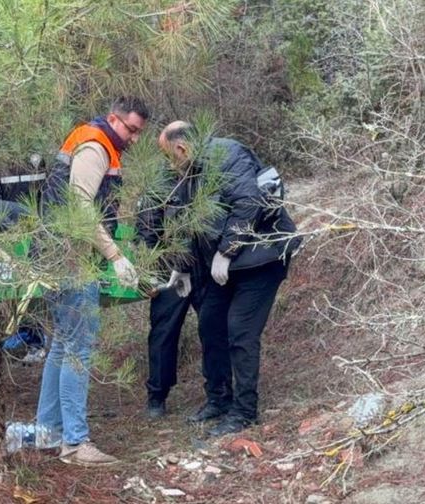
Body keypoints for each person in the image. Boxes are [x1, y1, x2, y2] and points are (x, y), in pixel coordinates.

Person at [157, 121, 301, 436]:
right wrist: (181, 267)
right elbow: (185, 221)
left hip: (261, 257)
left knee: (240, 332)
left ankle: (244, 411)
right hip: (226, 267)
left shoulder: (227, 154)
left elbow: (248, 203)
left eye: (170, 156)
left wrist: (226, 251)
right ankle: (219, 399)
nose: (170, 164)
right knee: (210, 324)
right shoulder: (188, 173)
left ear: (181, 148)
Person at [35, 96, 150, 466]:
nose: (133, 138)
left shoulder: (96, 143)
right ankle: (75, 443)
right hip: (71, 258)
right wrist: (114, 256)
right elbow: (81, 207)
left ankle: (47, 434)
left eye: (138, 132)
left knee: (61, 345)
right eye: (130, 129)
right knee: (78, 349)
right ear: (113, 119)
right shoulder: (96, 148)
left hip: (56, 253)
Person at [135, 171, 208, 420]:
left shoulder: (208, 177)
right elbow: (146, 232)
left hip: (207, 268)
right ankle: (157, 396)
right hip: (170, 271)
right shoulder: (160, 183)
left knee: (214, 330)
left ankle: (219, 393)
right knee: (163, 334)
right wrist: (149, 272)